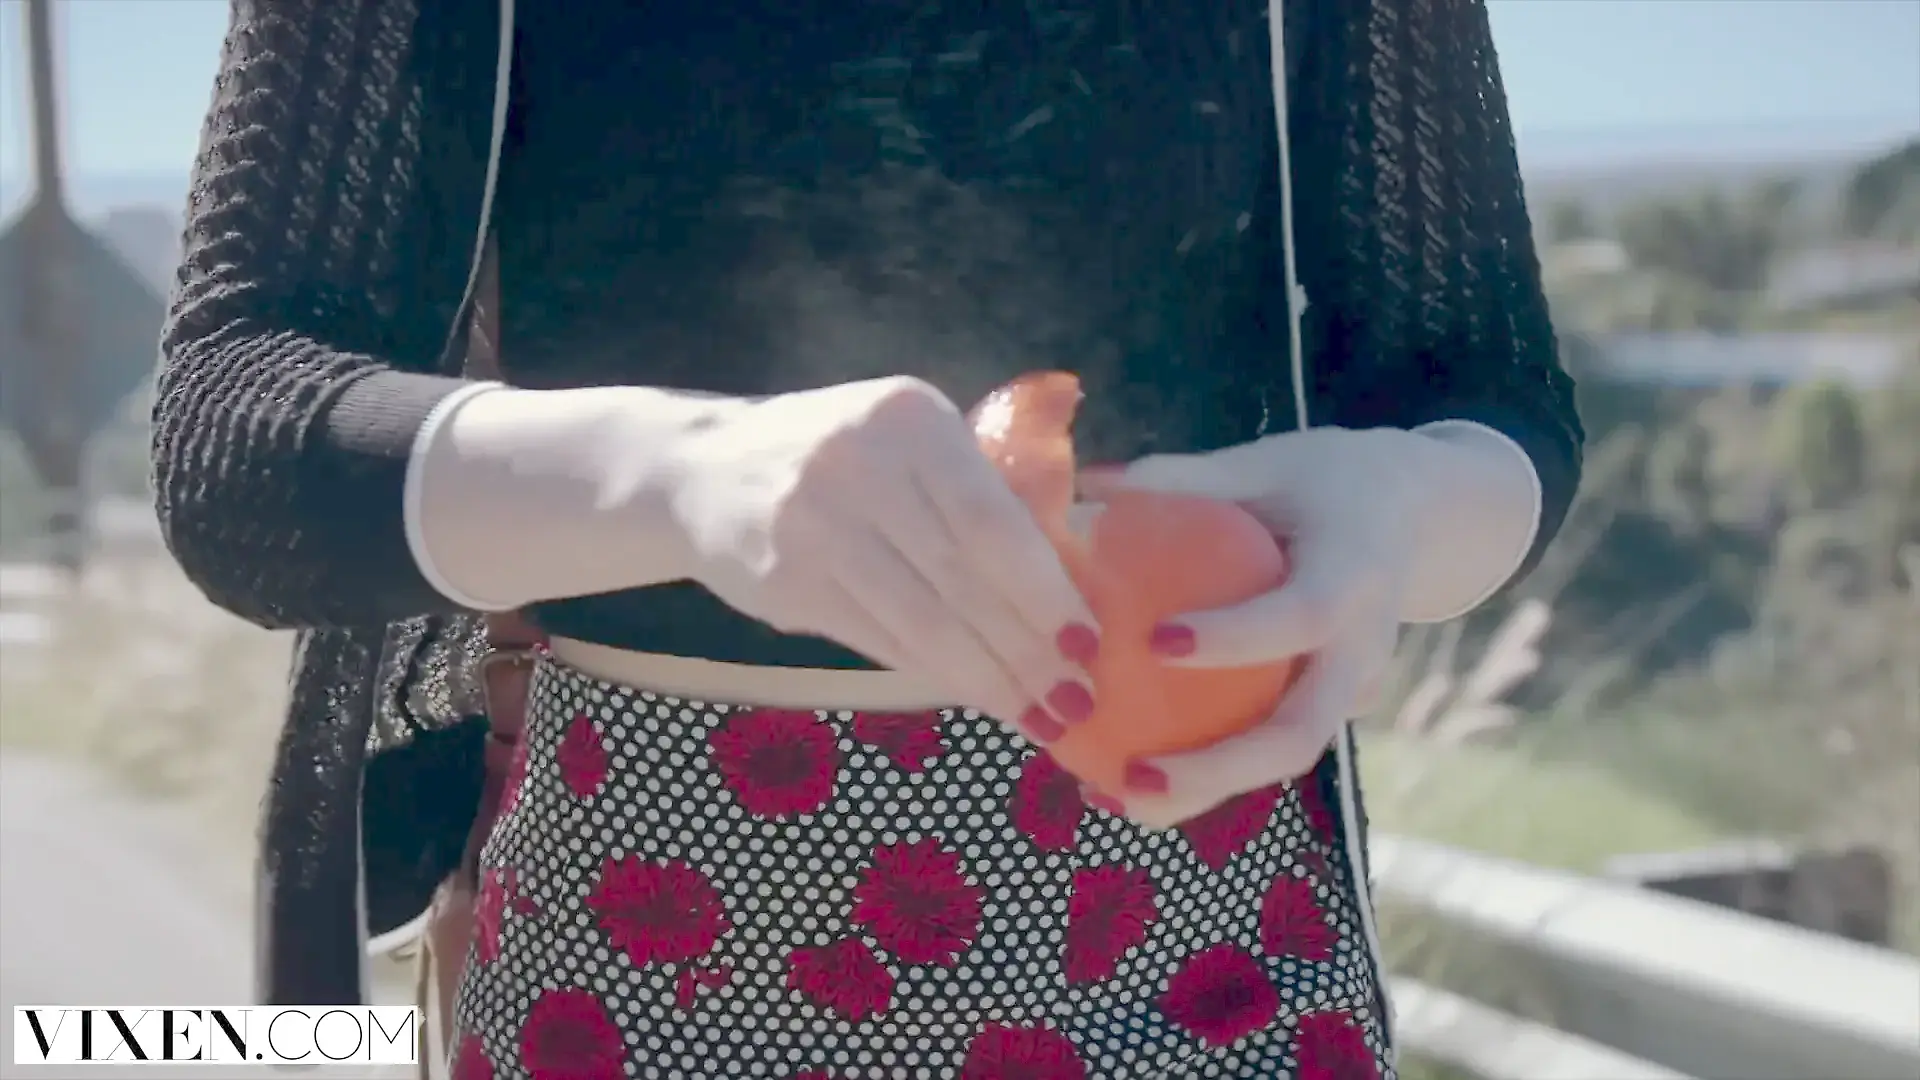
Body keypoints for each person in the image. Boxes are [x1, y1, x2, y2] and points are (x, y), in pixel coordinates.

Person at [154, 0, 1582, 1076]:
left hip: (1200, 940)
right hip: (647, 940)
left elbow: (1488, 391)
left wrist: (1402, 510)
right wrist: (685, 474)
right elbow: (235, 434)